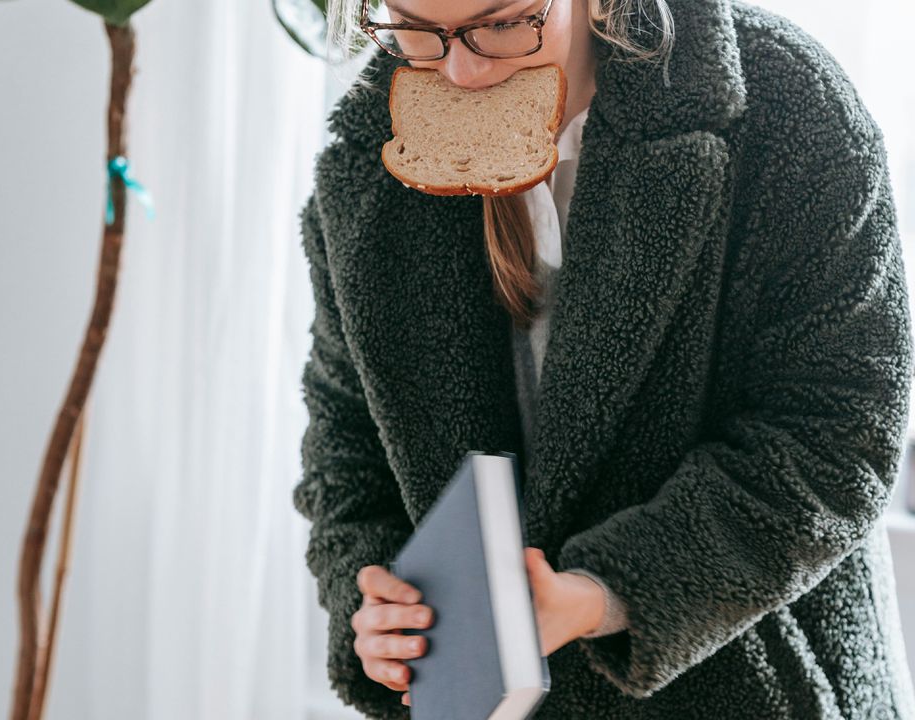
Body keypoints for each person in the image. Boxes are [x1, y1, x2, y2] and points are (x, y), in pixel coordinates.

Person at [292, 0, 915, 717]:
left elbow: (839, 438)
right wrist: (371, 605)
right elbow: (344, 445)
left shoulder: (787, 106)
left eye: (501, 24)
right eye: (413, 27)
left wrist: (605, 593)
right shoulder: (365, 165)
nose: (460, 72)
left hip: (753, 687)